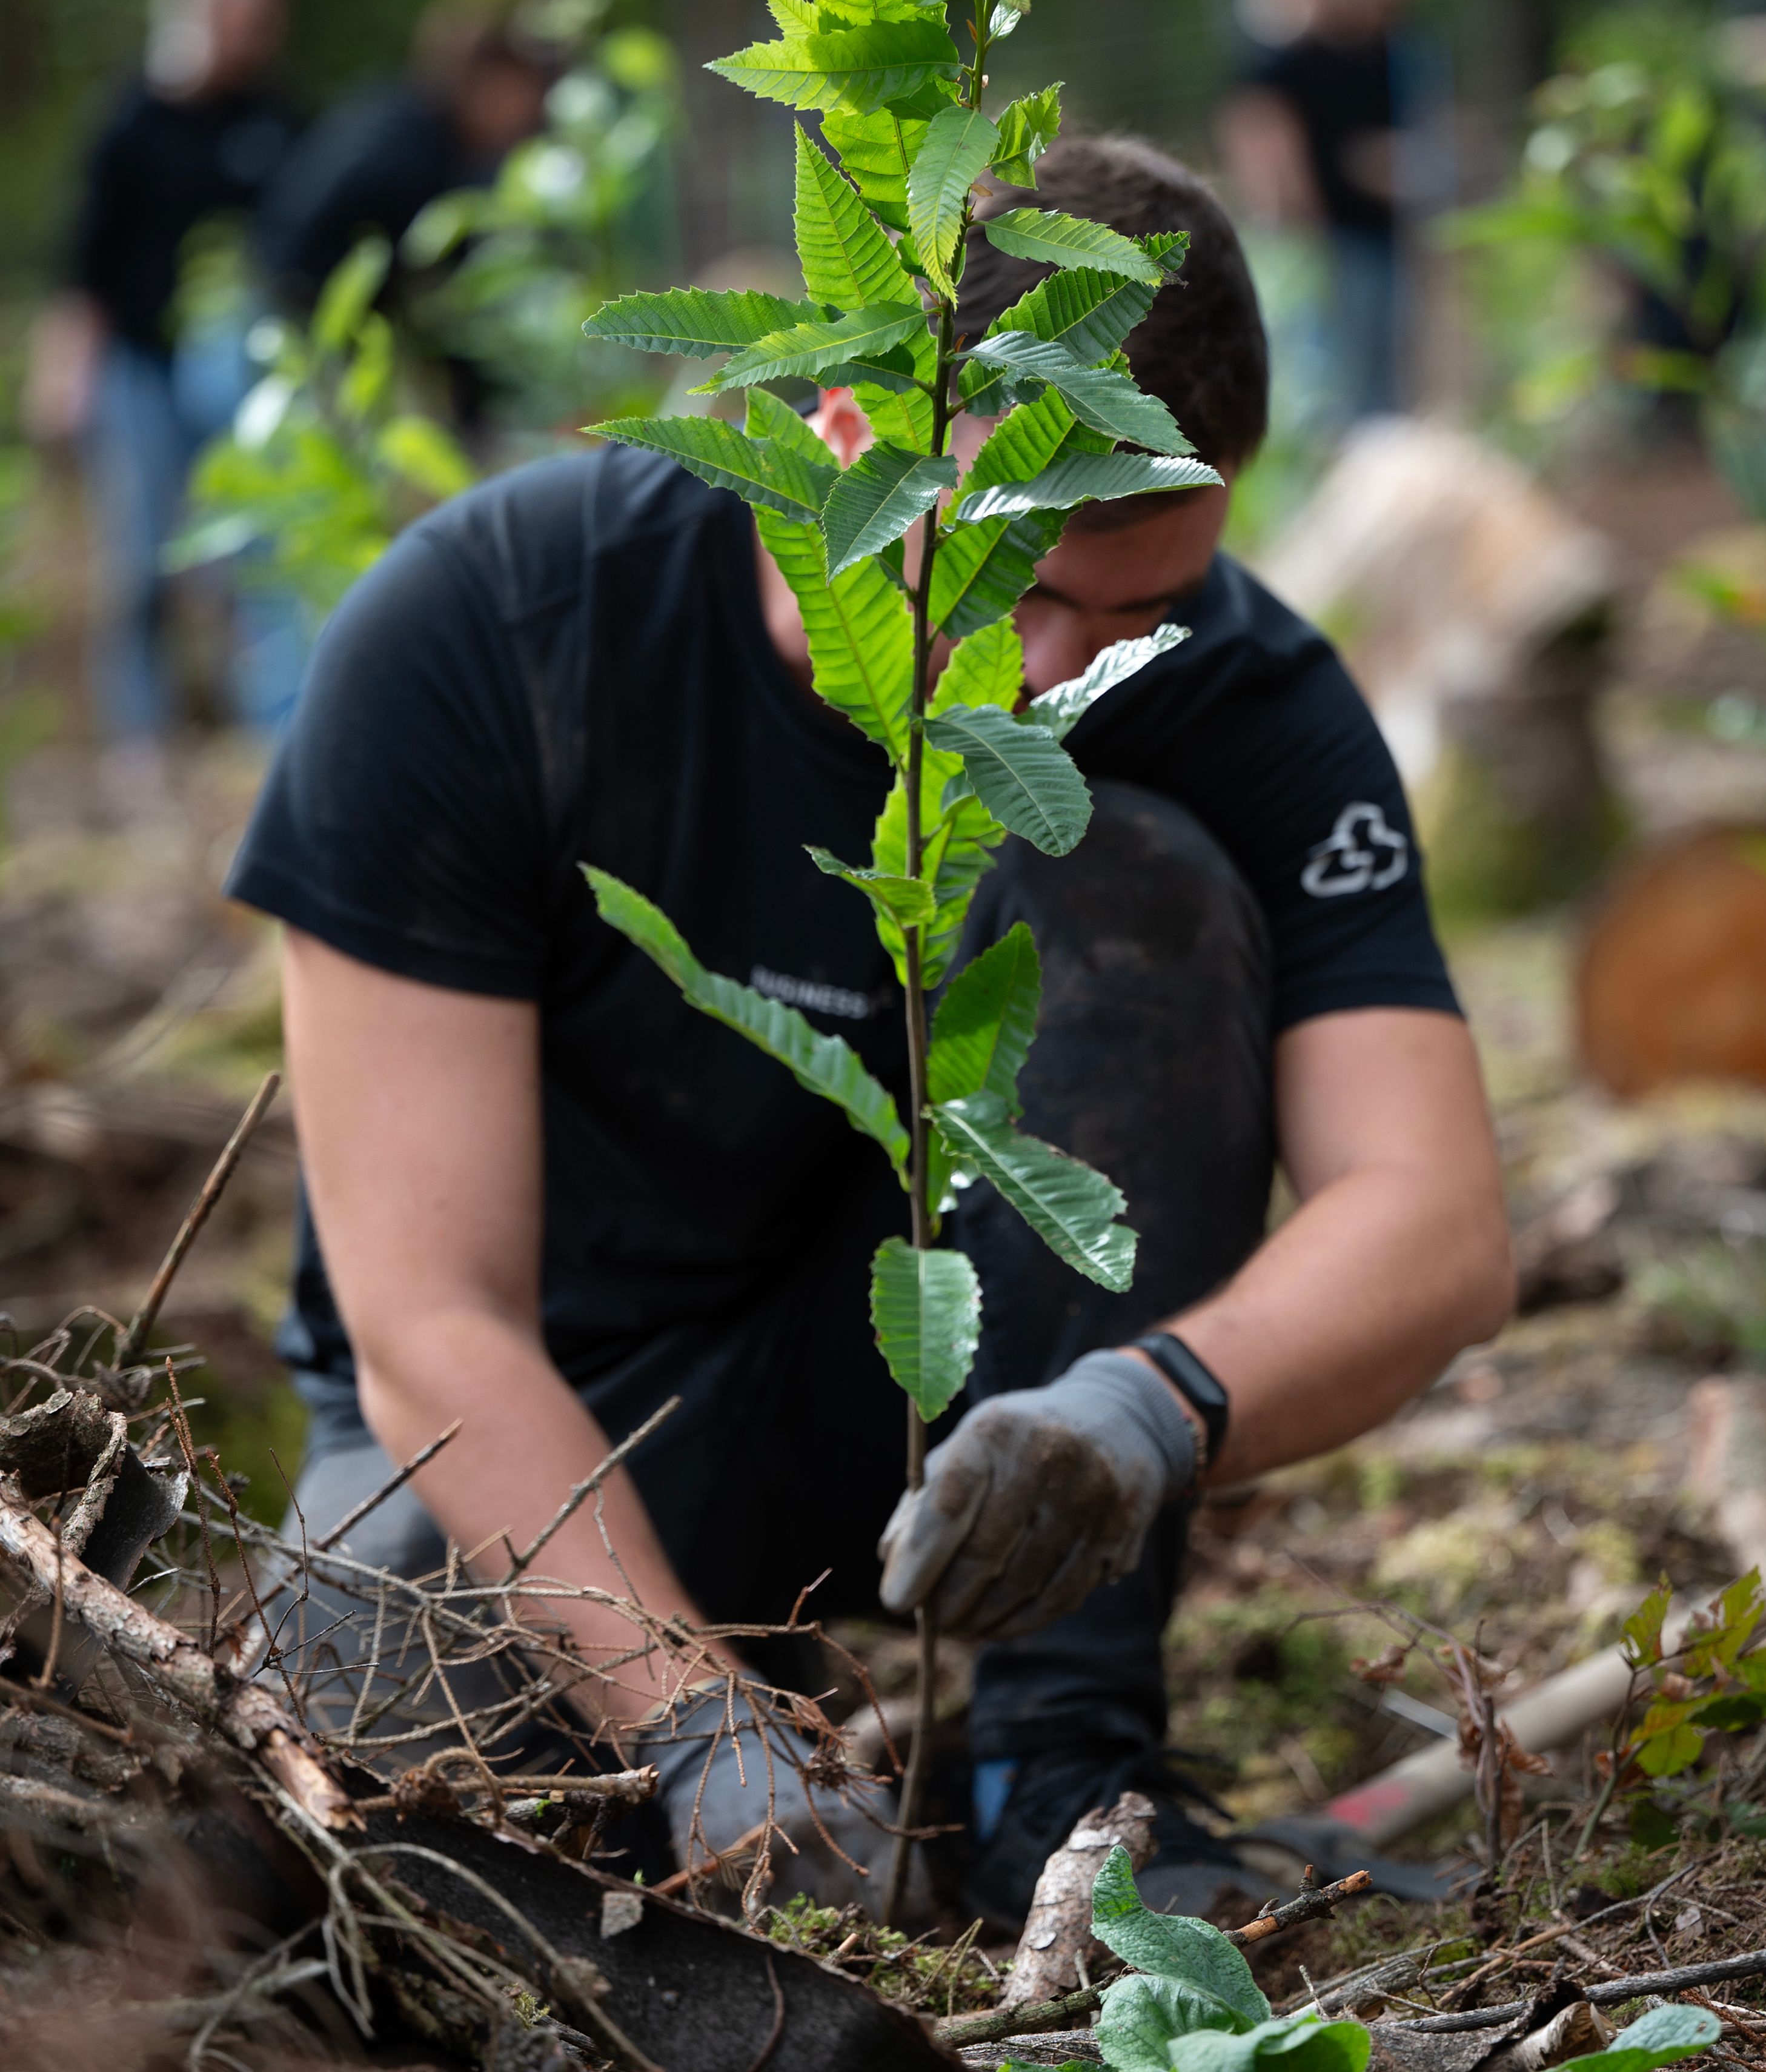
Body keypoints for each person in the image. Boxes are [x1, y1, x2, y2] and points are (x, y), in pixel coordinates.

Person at [226, 136, 1512, 1929]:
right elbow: (429, 1323)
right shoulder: (492, 634)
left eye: (1134, 609)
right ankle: (755, 1746)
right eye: (1019, 585)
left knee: (1132, 870)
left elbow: (1439, 1218)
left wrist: (1146, 1410)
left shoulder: (1233, 692)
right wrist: (691, 1722)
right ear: (846, 429)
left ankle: (1057, 1763)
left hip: (941, 1433)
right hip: (536, 1448)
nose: (1060, 670)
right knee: (381, 1755)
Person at [24, 0, 301, 774]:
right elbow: (86, 261)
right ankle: (138, 745)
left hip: (240, 374)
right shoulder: (135, 118)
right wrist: (64, 369)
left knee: (252, 554)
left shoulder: (276, 121)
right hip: (140, 366)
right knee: (143, 556)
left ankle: (263, 728)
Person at [1220, 0, 1421, 425]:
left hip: (1382, 231)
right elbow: (1268, 149)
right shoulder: (1290, 61)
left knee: (1383, 378)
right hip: (1326, 242)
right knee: (1329, 388)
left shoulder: (1389, 50)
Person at [257, 0, 554, 333]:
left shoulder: (395, 108)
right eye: (523, 95)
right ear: (488, 84)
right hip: (286, 315)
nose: (528, 118)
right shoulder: (411, 156)